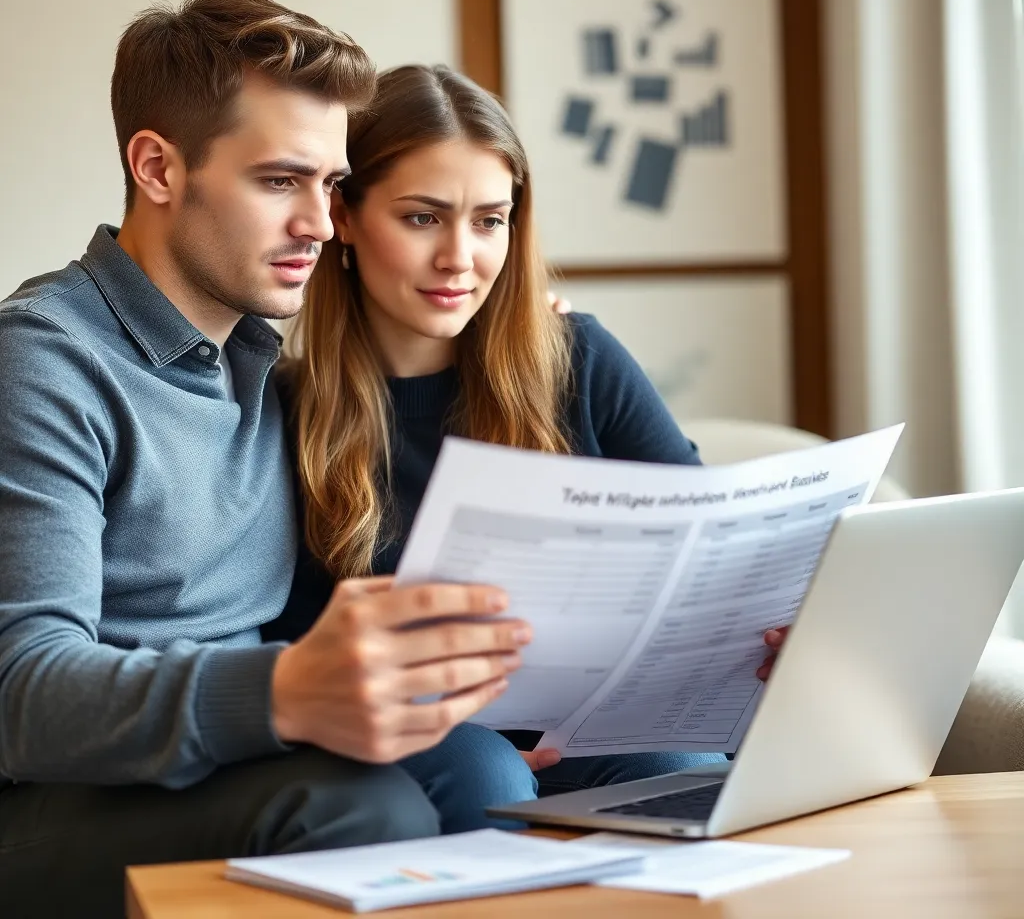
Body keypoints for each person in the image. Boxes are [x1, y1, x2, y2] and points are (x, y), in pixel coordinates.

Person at [0, 0, 552, 918]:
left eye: (330, 184)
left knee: (477, 774)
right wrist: (285, 688)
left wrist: (524, 334)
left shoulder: (258, 362)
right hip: (52, 796)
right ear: (157, 167)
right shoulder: (43, 362)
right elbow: (22, 694)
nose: (322, 224)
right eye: (279, 182)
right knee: (361, 809)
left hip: (221, 760)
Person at [264, 64, 787, 833]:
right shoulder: (279, 410)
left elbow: (711, 551)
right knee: (484, 773)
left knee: (676, 766)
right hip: (420, 736)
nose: (460, 257)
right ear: (344, 215)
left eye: (489, 221)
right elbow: (280, 642)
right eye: (422, 218)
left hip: (595, 719)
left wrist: (774, 625)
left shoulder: (578, 359)